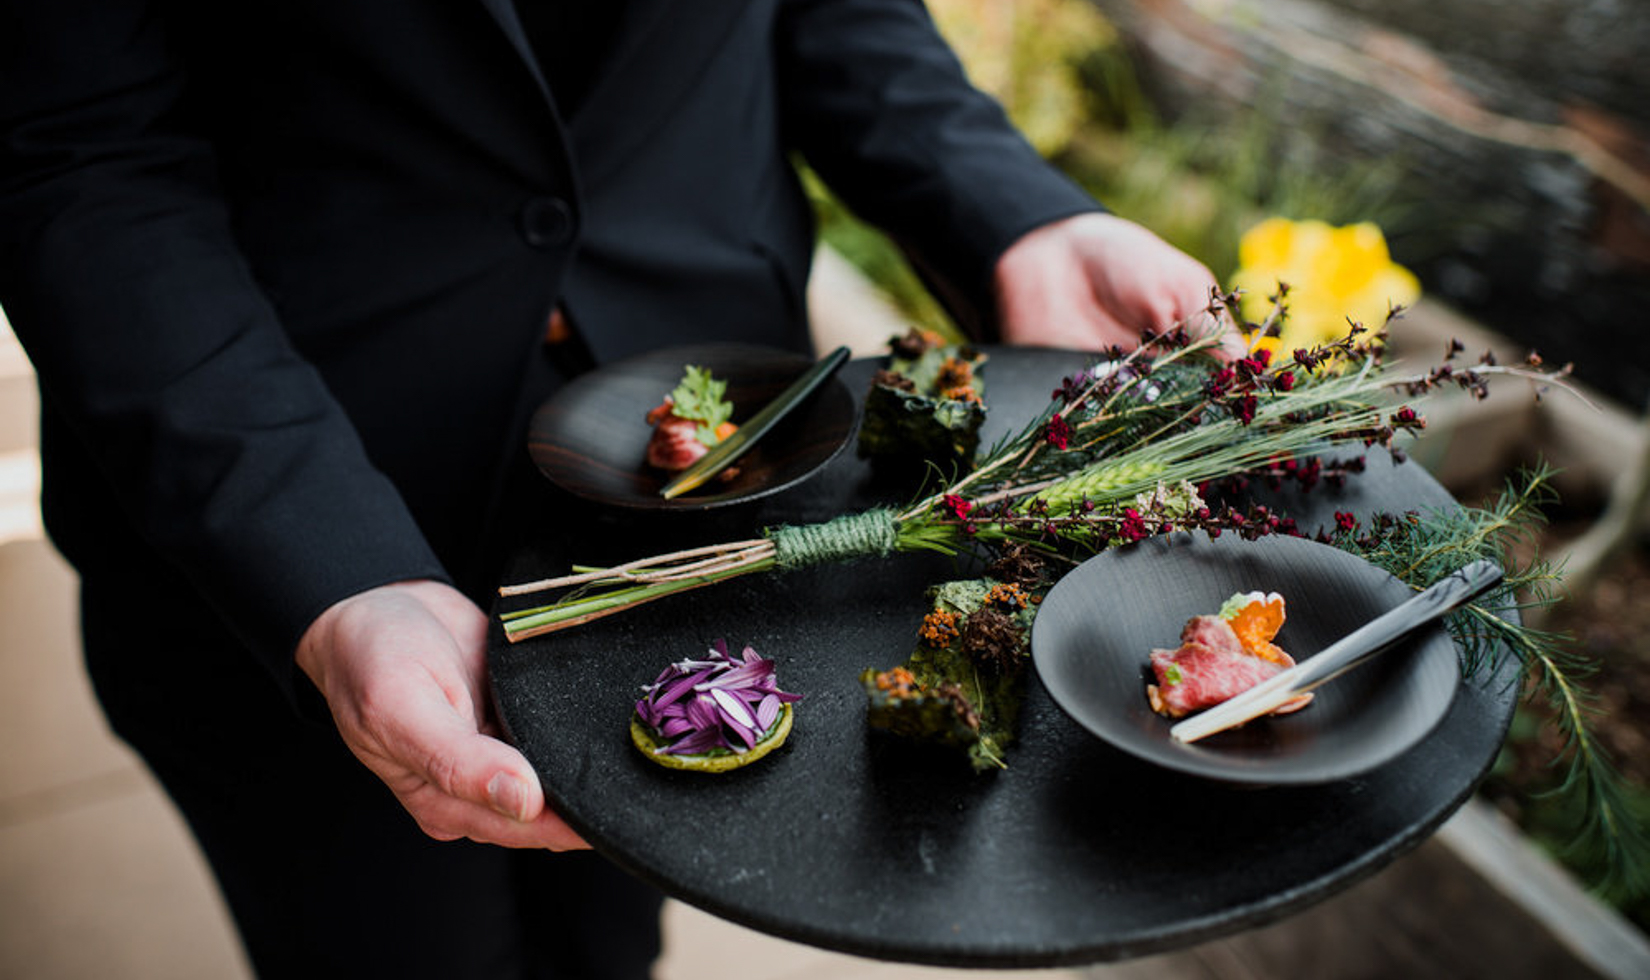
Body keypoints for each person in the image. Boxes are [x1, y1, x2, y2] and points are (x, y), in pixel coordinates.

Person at [0, 1, 1223, 976]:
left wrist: (1016, 218)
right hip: (293, 508)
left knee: (611, 938)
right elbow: (78, 153)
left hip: (710, 489)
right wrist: (318, 558)